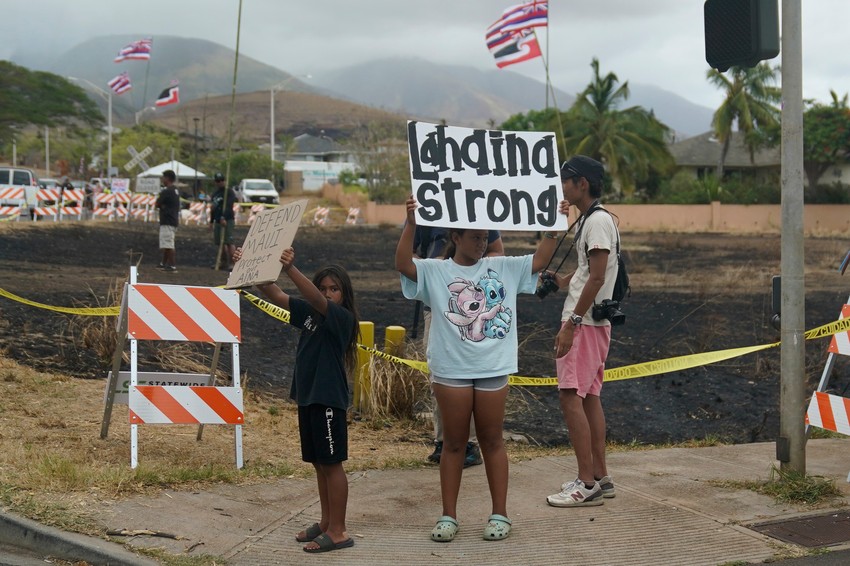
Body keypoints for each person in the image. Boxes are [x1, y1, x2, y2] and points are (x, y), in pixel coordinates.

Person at [396, 197, 565, 543]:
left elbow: (542, 259)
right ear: (455, 237)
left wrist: (553, 222)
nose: (482, 241)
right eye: (474, 236)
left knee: (492, 441)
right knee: (453, 444)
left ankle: (500, 513)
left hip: (493, 368)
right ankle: (448, 516)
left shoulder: (504, 266)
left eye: (485, 236)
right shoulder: (436, 270)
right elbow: (403, 264)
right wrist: (411, 223)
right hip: (451, 370)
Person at [233, 246, 359, 554]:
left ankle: (339, 531)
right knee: (319, 463)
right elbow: (273, 293)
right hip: (309, 397)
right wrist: (251, 265)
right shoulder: (310, 315)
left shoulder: (341, 318)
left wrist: (290, 269)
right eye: (323, 288)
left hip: (329, 399)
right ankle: (327, 522)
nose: (327, 294)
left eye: (334, 289)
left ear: (344, 295)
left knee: (332, 464)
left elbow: (313, 298)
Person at [545, 155, 619, 508]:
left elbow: (599, 276)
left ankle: (585, 482)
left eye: (566, 180)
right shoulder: (592, 220)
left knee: (569, 395)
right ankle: (600, 477)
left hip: (584, 323)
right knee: (588, 397)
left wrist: (571, 324)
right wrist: (561, 281)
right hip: (589, 321)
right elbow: (588, 272)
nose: (562, 186)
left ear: (582, 183)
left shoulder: (598, 222)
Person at [413, 226, 503, 468]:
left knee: (474, 374)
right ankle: (445, 440)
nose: (481, 241)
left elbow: (497, 251)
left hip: (472, 303)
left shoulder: (477, 206)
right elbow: (408, 257)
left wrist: (472, 270)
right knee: (440, 374)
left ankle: (470, 444)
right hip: (438, 307)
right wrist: (436, 271)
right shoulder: (427, 208)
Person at [209, 172, 237, 270]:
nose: (220, 182)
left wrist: (223, 217)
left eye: (221, 180)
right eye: (218, 181)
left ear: (224, 181)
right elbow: (213, 208)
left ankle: (233, 263)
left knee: (229, 242)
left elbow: (229, 206)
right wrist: (211, 221)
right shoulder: (215, 194)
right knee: (220, 243)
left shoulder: (229, 192)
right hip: (217, 220)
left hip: (227, 220)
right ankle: (223, 262)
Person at [155, 170, 180, 272]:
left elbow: (157, 203)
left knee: (168, 244)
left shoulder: (167, 191)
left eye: (163, 177)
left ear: (168, 178)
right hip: (173, 220)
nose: (162, 179)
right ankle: (163, 263)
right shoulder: (175, 190)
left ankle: (172, 265)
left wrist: (162, 205)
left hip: (167, 220)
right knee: (167, 243)